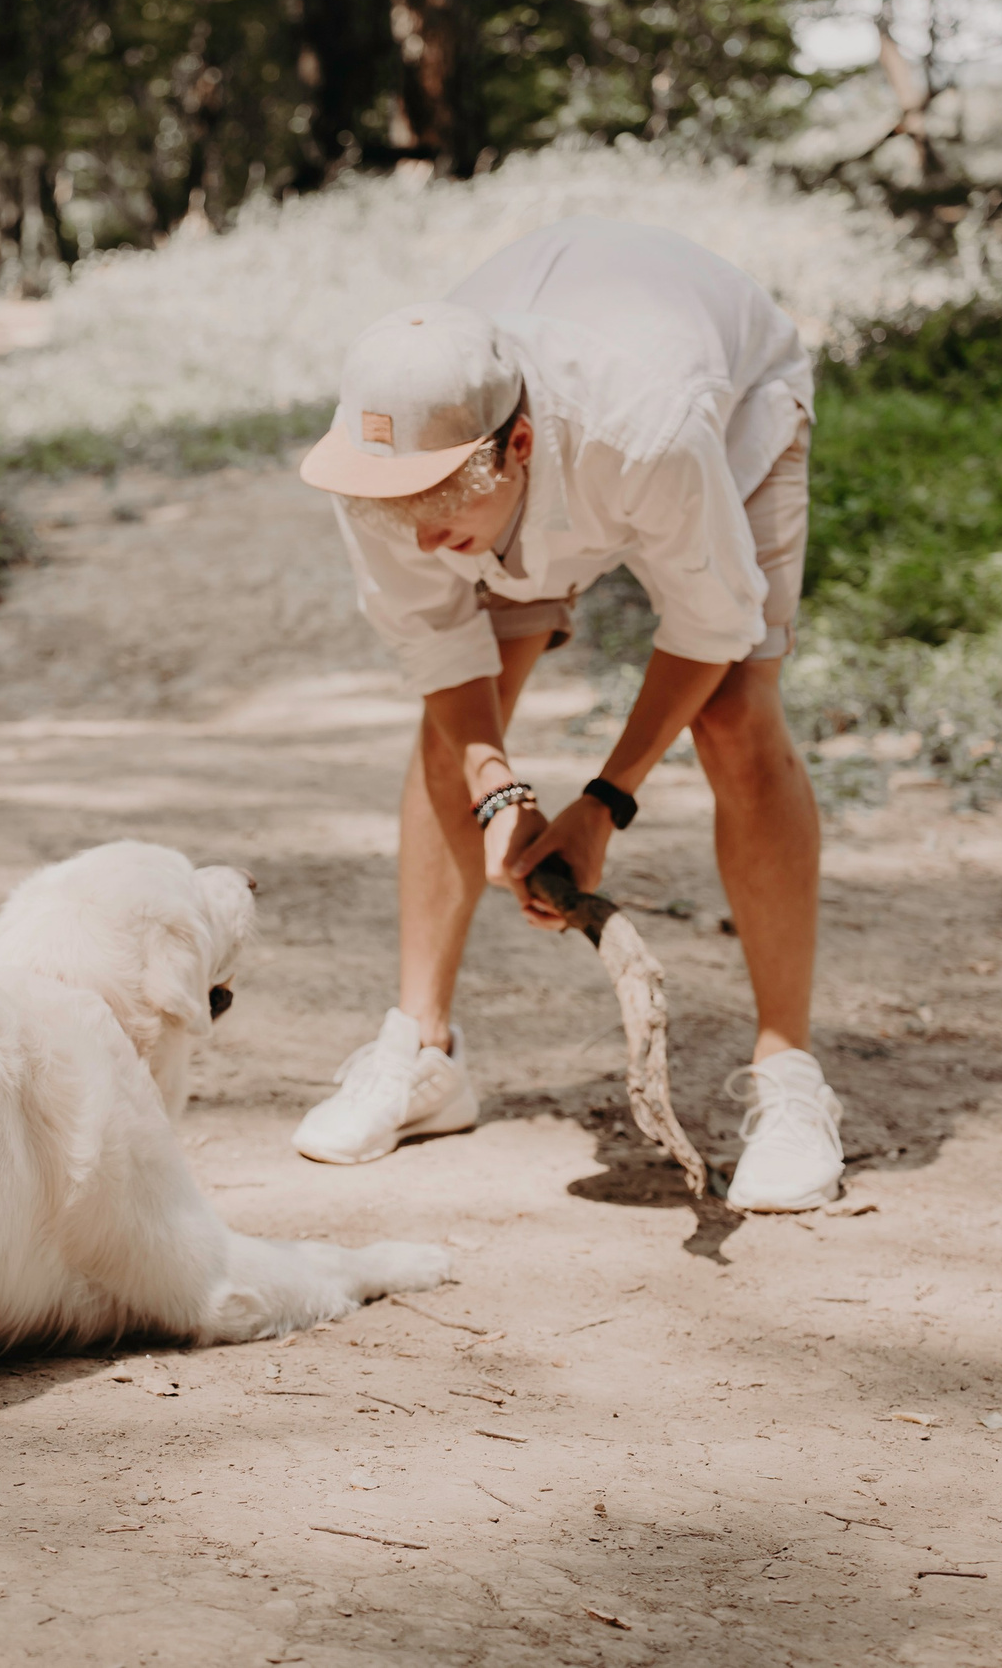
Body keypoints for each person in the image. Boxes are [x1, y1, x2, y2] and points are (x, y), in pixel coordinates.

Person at [289, 217, 843, 1214]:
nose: (415, 537)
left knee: (731, 718)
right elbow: (438, 648)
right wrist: (495, 783)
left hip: (728, 408)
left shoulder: (649, 432)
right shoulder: (378, 465)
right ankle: (422, 1050)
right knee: (457, 725)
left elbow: (709, 625)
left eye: (435, 509)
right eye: (396, 510)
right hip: (534, 470)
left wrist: (602, 804)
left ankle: (788, 1073)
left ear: (518, 445)